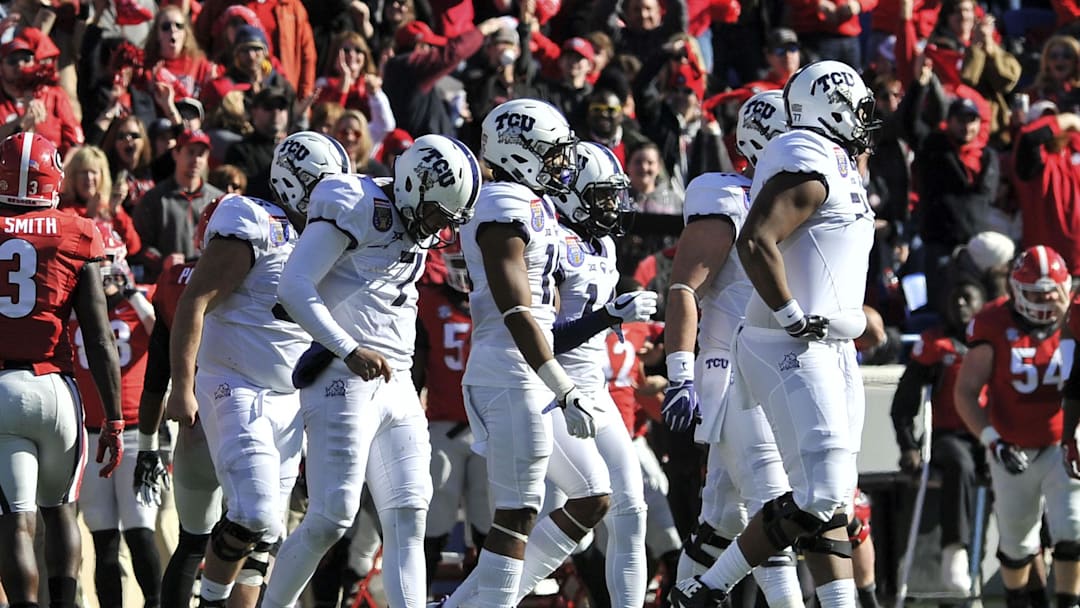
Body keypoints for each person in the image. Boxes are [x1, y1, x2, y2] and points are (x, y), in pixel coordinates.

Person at [671, 60, 878, 608]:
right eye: (856, 107)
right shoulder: (802, 154)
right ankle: (708, 590)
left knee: (829, 501)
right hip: (786, 344)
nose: (864, 120)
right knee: (814, 493)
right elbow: (755, 241)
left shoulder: (838, 161)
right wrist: (790, 314)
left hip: (831, 344)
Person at [264, 133, 481, 608]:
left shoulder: (409, 214)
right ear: (412, 185)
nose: (437, 229)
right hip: (344, 378)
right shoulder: (357, 200)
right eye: (436, 214)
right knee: (330, 516)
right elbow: (293, 286)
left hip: (397, 382)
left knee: (408, 514)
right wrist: (347, 348)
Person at [165, 132, 350, 608]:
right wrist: (182, 387)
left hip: (288, 400)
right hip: (235, 383)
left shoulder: (324, 239)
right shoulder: (252, 219)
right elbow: (194, 302)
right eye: (326, 187)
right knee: (252, 511)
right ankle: (208, 601)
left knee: (267, 536)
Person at [438, 97, 591, 608]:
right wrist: (563, 385)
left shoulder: (529, 201)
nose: (560, 164)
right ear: (518, 151)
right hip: (510, 369)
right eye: (550, 153)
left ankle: (463, 605)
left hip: (528, 369)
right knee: (518, 511)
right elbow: (515, 309)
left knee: (593, 492)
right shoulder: (501, 203)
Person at [663, 90, 803, 608]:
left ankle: (681, 598)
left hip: (778, 370)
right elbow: (683, 287)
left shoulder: (802, 197)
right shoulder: (728, 196)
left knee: (723, 517)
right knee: (773, 506)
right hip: (734, 373)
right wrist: (680, 372)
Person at [0, 132, 124, 608]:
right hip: (55, 388)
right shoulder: (78, 231)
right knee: (61, 513)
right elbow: (98, 334)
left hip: (3, 386)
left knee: (16, 517)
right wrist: (112, 417)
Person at [542, 141, 659, 606]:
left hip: (595, 389)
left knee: (632, 509)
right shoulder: (548, 239)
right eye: (603, 194)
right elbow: (542, 337)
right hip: (551, 391)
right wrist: (610, 314)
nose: (613, 205)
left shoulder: (604, 243)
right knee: (571, 508)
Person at [955, 246, 1080, 608]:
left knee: (1072, 531)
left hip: (1063, 442)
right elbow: (966, 391)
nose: (1044, 301)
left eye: (1049, 292)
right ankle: (1016, 600)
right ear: (1015, 291)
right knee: (1017, 542)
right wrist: (992, 440)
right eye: (1035, 294)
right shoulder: (993, 322)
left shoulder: (1075, 317)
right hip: (1012, 445)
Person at [73, 222, 160, 608]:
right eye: (98, 262)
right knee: (103, 538)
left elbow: (167, 339)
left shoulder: (141, 301)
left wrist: (135, 296)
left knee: (141, 533)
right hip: (90, 434)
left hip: (138, 432)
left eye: (110, 262)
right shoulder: (73, 305)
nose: (104, 271)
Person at [891, 280, 987, 592]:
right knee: (961, 463)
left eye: (967, 297)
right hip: (950, 436)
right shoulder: (935, 344)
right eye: (954, 297)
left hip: (991, 435)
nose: (960, 304)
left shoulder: (993, 343)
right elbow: (903, 401)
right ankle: (954, 552)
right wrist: (909, 445)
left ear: (982, 305)